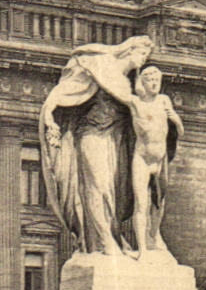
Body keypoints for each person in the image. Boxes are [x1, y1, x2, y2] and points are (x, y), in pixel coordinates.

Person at [40, 36, 156, 255]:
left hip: (116, 140)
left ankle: (112, 238)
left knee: (116, 194)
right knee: (98, 187)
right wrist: (48, 111)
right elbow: (67, 89)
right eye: (142, 54)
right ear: (129, 50)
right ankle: (104, 242)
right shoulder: (98, 65)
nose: (144, 60)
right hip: (92, 134)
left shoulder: (129, 82)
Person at [92, 65, 182, 255]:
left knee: (159, 204)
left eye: (157, 80)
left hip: (160, 159)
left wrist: (175, 119)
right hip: (142, 158)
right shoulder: (135, 102)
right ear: (143, 82)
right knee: (141, 205)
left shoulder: (164, 101)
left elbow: (180, 132)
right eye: (150, 80)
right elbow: (113, 90)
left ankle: (153, 235)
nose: (155, 84)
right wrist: (96, 71)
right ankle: (142, 250)